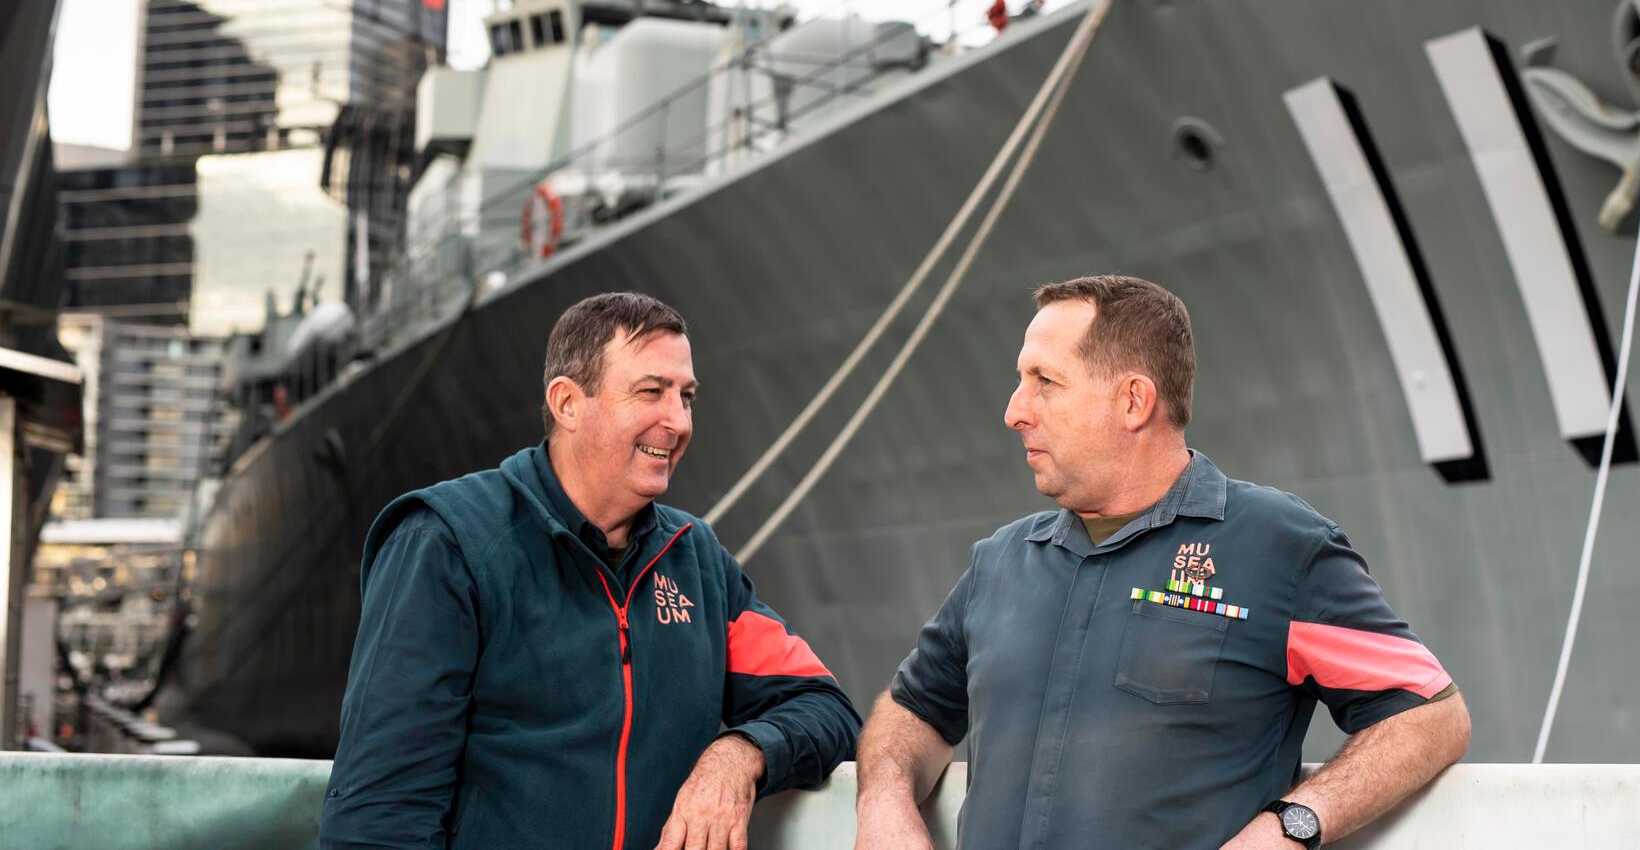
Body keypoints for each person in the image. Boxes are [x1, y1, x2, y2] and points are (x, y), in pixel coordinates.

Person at [854, 275, 1469, 849]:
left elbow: (1430, 715)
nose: (1015, 410)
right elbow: (912, 708)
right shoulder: (1001, 563)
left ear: (1133, 401)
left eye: (1046, 381)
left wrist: (1290, 827)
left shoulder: (1279, 546)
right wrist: (883, 800)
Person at [321, 292, 860, 850]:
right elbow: (380, 813)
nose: (676, 422)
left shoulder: (694, 558)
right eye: (651, 392)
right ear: (567, 403)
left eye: (686, 396)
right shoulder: (447, 543)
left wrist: (737, 756)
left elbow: (824, 706)